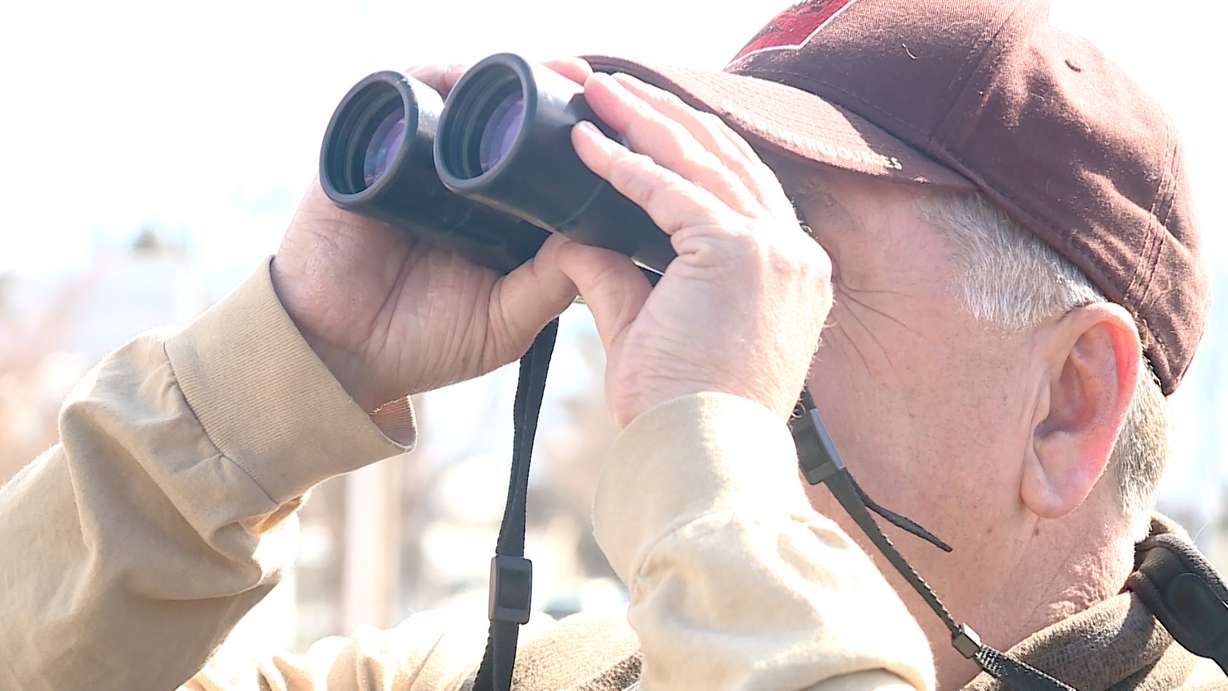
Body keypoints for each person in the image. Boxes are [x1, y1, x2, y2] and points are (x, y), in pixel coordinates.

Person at [1, 0, 1222, 688]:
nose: (698, 305)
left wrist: (711, 471)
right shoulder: (561, 672)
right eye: (695, 229)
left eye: (789, 256)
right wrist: (273, 376)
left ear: (1068, 404)